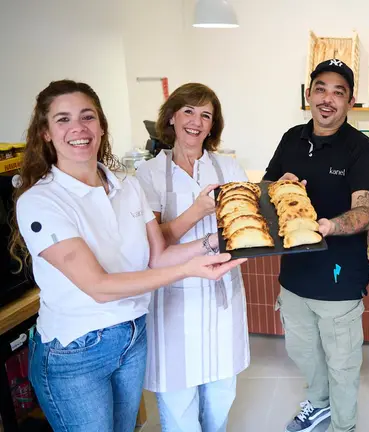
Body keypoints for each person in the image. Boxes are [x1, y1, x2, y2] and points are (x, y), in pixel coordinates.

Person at [9, 80, 243, 432]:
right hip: (77, 350)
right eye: (63, 119)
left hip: (132, 334)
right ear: (44, 132)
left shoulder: (125, 184)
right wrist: (191, 268)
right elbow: (99, 286)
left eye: (87, 117)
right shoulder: (42, 201)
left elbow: (159, 255)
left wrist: (216, 242)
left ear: (101, 126)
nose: (78, 128)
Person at [263, 59, 369, 432]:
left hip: (339, 277)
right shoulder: (291, 137)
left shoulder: (361, 149)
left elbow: (365, 209)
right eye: (321, 89)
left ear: (350, 101)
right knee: (302, 351)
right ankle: (318, 404)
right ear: (309, 94)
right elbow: (266, 192)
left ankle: (343, 426)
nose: (327, 99)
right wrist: (277, 187)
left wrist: (329, 226)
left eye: (338, 92)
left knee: (342, 363)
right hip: (295, 275)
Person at [135, 83, 250, 432]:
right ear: (171, 117)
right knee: (179, 406)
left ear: (213, 125)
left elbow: (244, 227)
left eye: (206, 115)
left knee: (220, 398)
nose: (196, 121)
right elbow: (154, 247)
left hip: (220, 298)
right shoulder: (148, 174)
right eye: (188, 111)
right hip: (172, 300)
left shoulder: (228, 168)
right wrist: (198, 211)